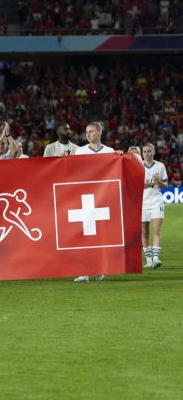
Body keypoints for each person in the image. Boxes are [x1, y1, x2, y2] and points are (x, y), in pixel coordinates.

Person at [72, 121, 116, 283]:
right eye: (86, 132)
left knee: (101, 236)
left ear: (99, 132)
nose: (88, 134)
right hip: (86, 197)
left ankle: (100, 269)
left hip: (103, 198)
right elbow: (76, 173)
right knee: (85, 235)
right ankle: (84, 272)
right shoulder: (80, 151)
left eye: (91, 131)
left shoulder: (109, 151)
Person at [140, 143, 168, 269]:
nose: (147, 153)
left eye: (149, 151)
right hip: (142, 202)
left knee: (156, 230)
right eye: (144, 151)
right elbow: (132, 185)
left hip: (156, 201)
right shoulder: (138, 165)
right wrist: (143, 184)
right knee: (144, 232)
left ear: (154, 152)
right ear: (142, 153)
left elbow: (166, 185)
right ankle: (149, 260)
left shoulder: (160, 166)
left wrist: (158, 181)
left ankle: (156, 258)